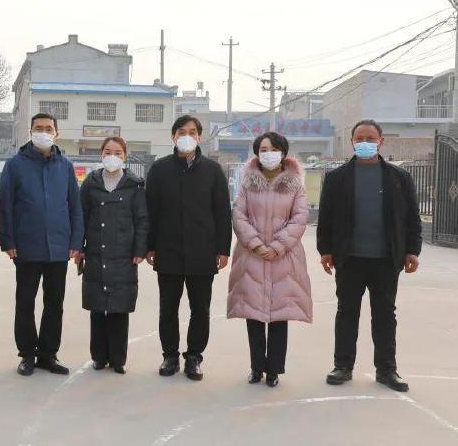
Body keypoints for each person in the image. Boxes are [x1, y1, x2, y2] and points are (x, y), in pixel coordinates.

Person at [318, 119, 421, 392]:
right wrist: (325, 250)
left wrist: (412, 250)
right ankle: (343, 366)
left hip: (386, 259)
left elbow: (412, 217)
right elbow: (326, 217)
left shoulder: (399, 178)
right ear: (352, 142)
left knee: (385, 315)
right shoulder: (337, 178)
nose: (365, 143)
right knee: (346, 312)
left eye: (371, 138)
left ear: (381, 141)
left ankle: (387, 370)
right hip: (349, 258)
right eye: (360, 138)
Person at [0, 113, 84, 376]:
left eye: (48, 128)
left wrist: (76, 240)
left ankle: (48, 354)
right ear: (31, 131)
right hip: (26, 246)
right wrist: (8, 240)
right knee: (25, 301)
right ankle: (27, 354)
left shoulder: (65, 166)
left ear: (56, 133)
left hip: (58, 247)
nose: (43, 132)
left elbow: (75, 206)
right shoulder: (15, 165)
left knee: (54, 303)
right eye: (38, 128)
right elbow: (5, 205)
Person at [145, 115, 231, 381]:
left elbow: (222, 212)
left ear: (199, 137)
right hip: (167, 249)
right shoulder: (159, 169)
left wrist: (223, 248)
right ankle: (170, 356)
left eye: (192, 132)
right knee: (168, 308)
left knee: (200, 309)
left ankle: (194, 357)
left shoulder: (212, 170)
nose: (187, 136)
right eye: (181, 132)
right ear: (173, 136)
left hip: (202, 251)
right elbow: (150, 211)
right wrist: (150, 245)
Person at [227, 132, 312, 388]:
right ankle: (256, 367)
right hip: (251, 255)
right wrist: (255, 243)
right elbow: (239, 215)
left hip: (284, 257)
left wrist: (277, 246)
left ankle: (274, 369)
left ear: (283, 153)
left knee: (278, 316)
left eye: (273, 149)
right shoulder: (247, 183)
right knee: (253, 315)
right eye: (263, 149)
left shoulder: (295, 184)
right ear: (257, 153)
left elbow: (300, 218)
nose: (268, 154)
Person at [74, 136, 148, 374]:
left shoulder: (134, 185)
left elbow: (142, 220)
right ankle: (98, 357)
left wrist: (139, 250)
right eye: (107, 152)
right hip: (96, 253)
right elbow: (81, 216)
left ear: (124, 156)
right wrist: (79, 247)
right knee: (98, 309)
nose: (112, 156)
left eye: (117, 152)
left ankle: (118, 360)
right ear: (101, 154)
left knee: (119, 309)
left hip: (124, 256)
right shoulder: (91, 183)